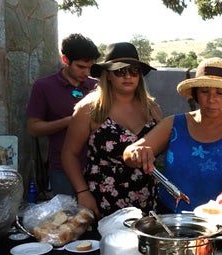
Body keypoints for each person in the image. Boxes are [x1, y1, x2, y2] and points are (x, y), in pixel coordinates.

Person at [123, 57, 222, 214]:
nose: (211, 99)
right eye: (205, 91)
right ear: (196, 94)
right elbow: (130, 153)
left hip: (219, 224)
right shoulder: (173, 124)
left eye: (220, 93)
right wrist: (135, 153)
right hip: (172, 220)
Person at [61, 42, 164, 219]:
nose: (128, 76)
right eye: (120, 71)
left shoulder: (152, 108)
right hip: (103, 198)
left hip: (146, 195)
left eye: (133, 71)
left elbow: (166, 144)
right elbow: (69, 154)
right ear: (107, 75)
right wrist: (82, 192)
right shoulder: (90, 108)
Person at [26, 33, 101, 196]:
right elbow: (33, 128)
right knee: (68, 219)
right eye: (81, 67)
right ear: (65, 60)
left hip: (98, 167)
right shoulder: (44, 86)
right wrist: (72, 121)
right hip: (62, 169)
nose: (86, 72)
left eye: (90, 67)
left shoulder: (97, 86)